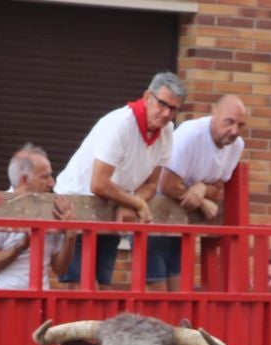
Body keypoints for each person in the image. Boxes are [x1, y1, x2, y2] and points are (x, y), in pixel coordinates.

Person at [53, 71, 183, 288]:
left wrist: (132, 201)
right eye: (162, 104)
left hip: (110, 205)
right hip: (77, 204)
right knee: (79, 288)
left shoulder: (168, 131)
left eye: (173, 109)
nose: (166, 113)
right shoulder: (120, 123)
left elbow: (152, 183)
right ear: (147, 97)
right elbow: (98, 183)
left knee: (104, 287)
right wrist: (135, 202)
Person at [155, 94, 247, 290]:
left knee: (179, 294)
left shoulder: (236, 145)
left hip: (182, 224)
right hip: (155, 216)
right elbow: (167, 184)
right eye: (229, 122)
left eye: (240, 125)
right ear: (214, 114)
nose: (234, 131)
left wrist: (203, 188)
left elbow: (219, 188)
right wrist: (202, 200)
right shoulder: (191, 134)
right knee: (157, 294)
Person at [0, 143, 74, 290]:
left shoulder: (53, 208)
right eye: (45, 177)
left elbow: (59, 269)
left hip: (36, 299)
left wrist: (70, 235)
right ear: (24, 180)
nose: (52, 183)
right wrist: (20, 247)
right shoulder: (1, 208)